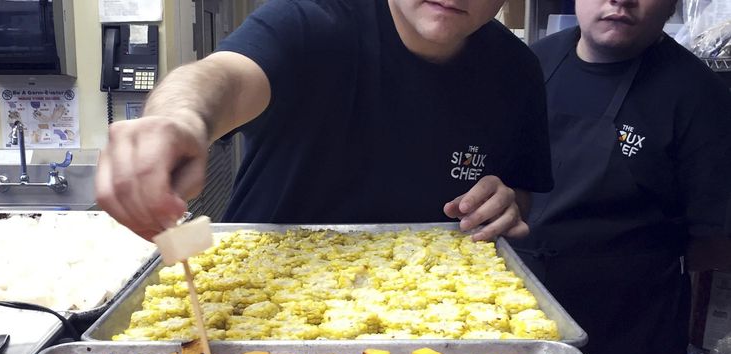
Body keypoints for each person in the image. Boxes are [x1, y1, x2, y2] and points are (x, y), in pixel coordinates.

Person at [96, 0, 554, 241]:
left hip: (433, 323)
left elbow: (519, 191)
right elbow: (225, 78)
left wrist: (504, 203)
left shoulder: (518, 71)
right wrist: (180, 117)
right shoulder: (312, 19)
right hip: (261, 308)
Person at [513, 0, 731, 354]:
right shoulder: (533, 62)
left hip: (629, 334)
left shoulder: (698, 95)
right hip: (521, 314)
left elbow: (713, 242)